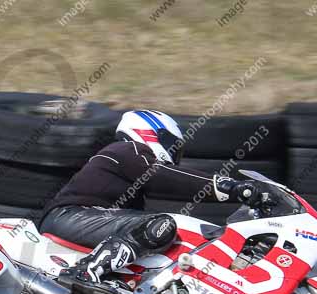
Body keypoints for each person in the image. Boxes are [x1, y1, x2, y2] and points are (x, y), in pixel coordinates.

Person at [39, 109, 263, 284]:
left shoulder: (128, 169)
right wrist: (230, 187)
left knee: (156, 232)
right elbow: (164, 177)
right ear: (152, 133)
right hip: (72, 216)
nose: (174, 155)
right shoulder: (128, 150)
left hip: (79, 219)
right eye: (173, 146)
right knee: (162, 224)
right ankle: (85, 272)